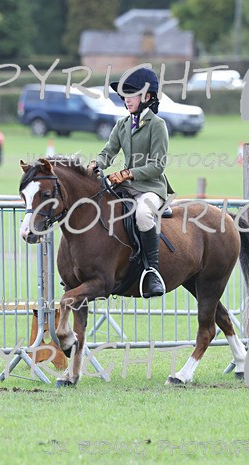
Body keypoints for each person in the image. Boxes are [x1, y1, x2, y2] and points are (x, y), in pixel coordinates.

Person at [89, 68, 173, 299]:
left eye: (132, 94)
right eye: (124, 95)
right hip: (125, 188)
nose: (126, 99)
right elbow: (108, 152)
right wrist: (96, 164)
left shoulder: (158, 125)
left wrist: (127, 174)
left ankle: (152, 271)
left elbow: (158, 165)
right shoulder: (122, 124)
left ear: (147, 97)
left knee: (143, 215)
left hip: (151, 187)